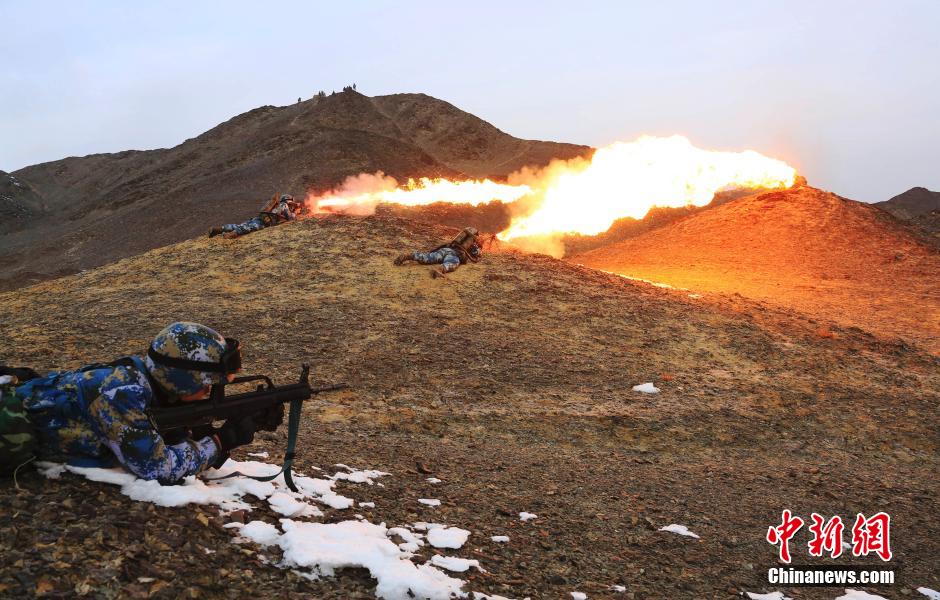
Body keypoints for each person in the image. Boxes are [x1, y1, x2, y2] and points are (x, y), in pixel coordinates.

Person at [1, 322, 265, 483]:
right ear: (181, 380)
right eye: (207, 383)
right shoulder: (121, 392)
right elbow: (158, 469)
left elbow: (162, 427)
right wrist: (220, 442)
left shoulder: (146, 379)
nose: (210, 390)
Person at [394, 227, 483, 277]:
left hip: (445, 249)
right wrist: (479, 248)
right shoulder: (473, 245)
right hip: (455, 254)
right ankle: (439, 270)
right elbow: (476, 256)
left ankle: (409, 256)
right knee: (451, 263)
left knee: (428, 258)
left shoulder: (458, 239)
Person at [209, 194, 302, 239]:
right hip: (265, 221)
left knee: (241, 225)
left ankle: (219, 229)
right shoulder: (284, 205)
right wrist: (296, 213)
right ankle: (230, 235)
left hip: (261, 217)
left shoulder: (279, 205)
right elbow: (290, 218)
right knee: (248, 227)